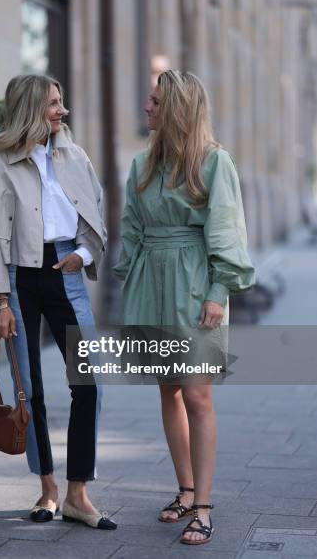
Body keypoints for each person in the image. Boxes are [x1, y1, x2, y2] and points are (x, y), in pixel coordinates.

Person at [0, 74, 116, 530]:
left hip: (64, 270)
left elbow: (97, 211)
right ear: (31, 107)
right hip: (17, 279)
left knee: (87, 382)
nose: (62, 111)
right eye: (53, 103)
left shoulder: (75, 155)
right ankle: (48, 489)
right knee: (28, 388)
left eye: (62, 102)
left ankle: (78, 494)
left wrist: (85, 254)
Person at [114, 70, 255, 545]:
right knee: (168, 390)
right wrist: (120, 279)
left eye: (155, 102)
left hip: (195, 282)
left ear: (175, 109)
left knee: (197, 394)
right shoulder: (142, 165)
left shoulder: (215, 163)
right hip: (150, 282)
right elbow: (131, 225)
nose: (147, 108)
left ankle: (205, 506)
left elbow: (227, 230)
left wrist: (220, 290)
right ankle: (184, 489)